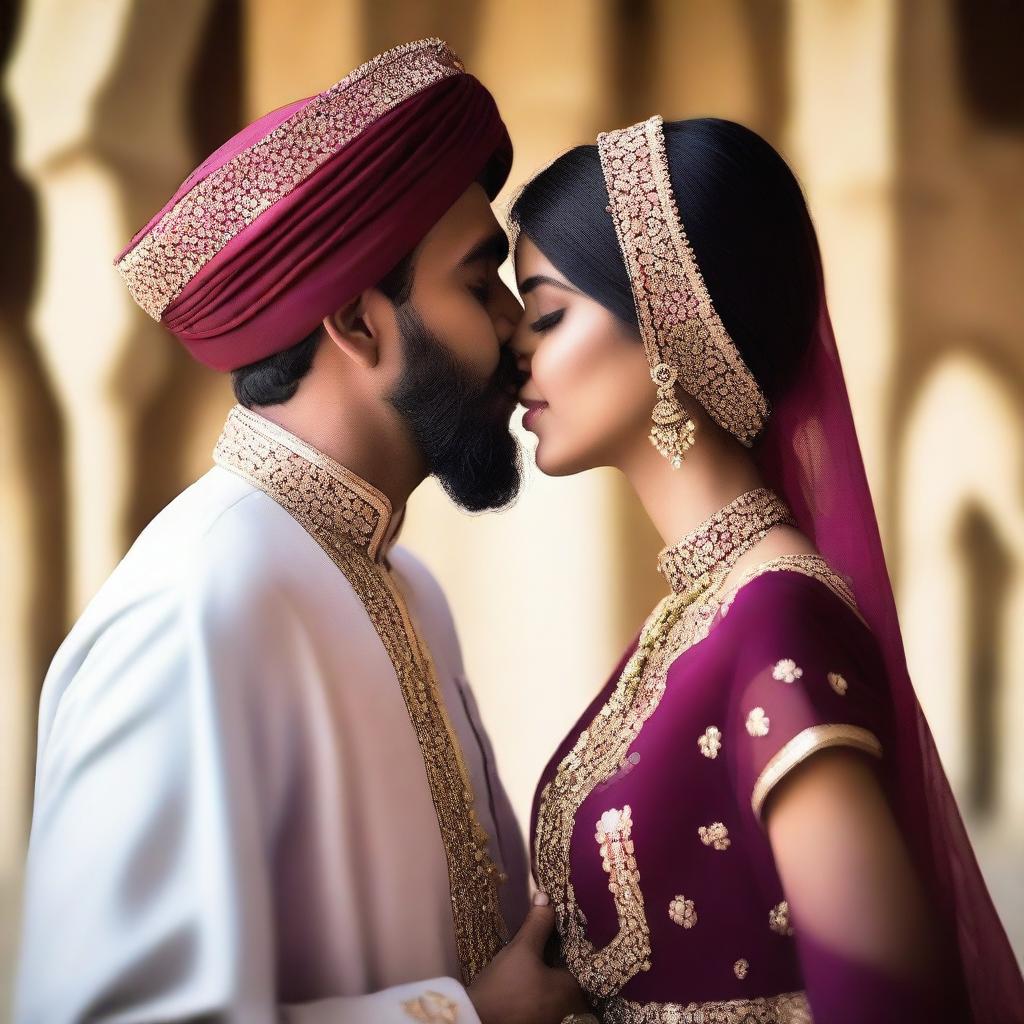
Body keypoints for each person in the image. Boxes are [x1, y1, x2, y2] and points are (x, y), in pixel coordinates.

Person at [14, 39, 587, 1024]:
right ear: (358, 326)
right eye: (478, 281)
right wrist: (466, 1017)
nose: (514, 325)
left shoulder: (406, 585)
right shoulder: (193, 610)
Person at [508, 115, 1024, 1022]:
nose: (516, 345)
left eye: (546, 313)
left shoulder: (774, 620)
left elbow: (890, 1004)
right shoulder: (699, 618)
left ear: (667, 329)